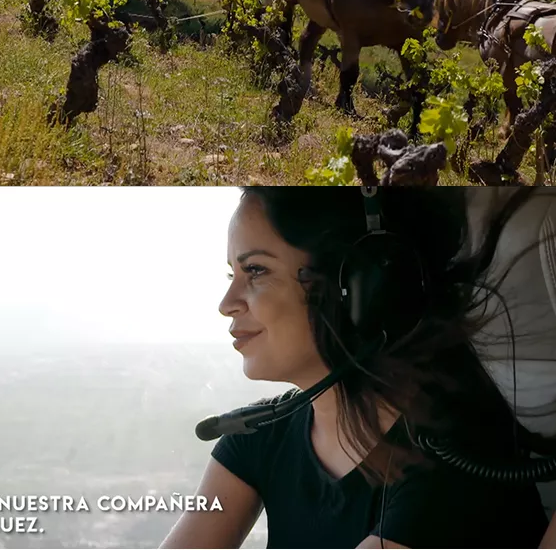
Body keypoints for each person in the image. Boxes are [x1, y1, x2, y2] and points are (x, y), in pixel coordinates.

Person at [160, 188, 549, 549]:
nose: (226, 303)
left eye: (256, 271)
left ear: (365, 285)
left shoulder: (449, 461)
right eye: (234, 274)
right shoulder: (260, 435)